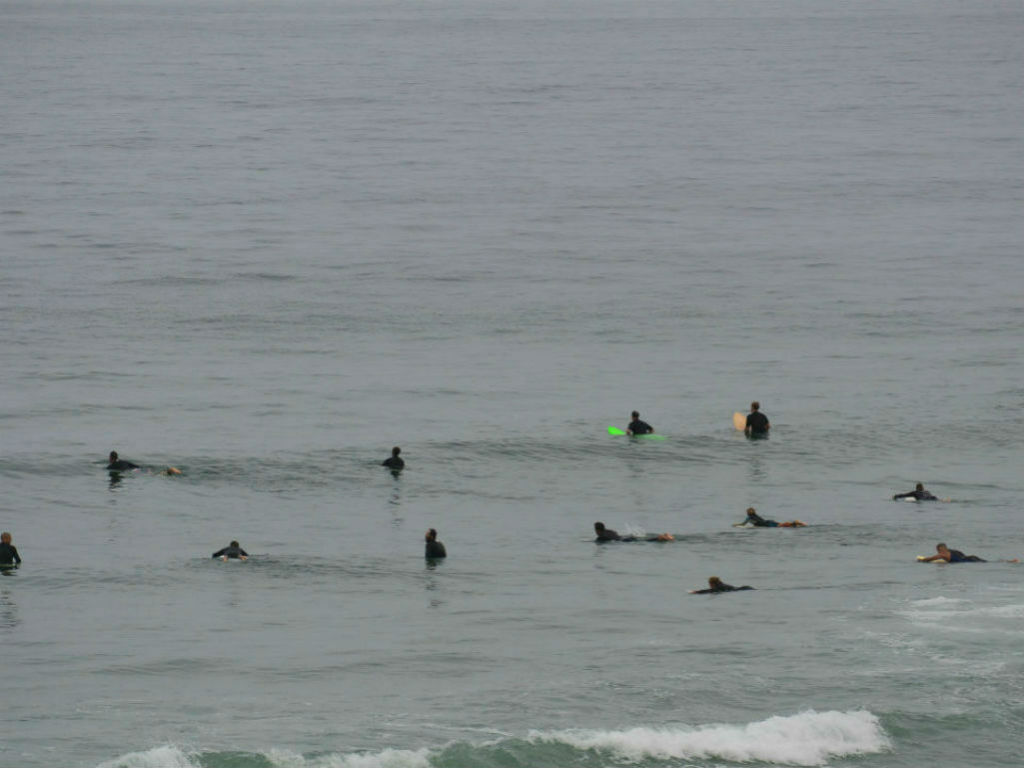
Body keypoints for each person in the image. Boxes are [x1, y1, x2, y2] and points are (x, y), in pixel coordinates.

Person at [593, 522, 674, 542]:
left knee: (646, 541)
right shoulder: (609, 531)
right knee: (643, 540)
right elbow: (615, 534)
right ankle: (664, 536)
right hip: (626, 537)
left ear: (597, 530)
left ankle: (660, 537)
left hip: (624, 541)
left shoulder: (601, 537)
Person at [734, 507, 806, 528]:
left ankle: (795, 522)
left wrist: (736, 525)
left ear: (747, 513)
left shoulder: (749, 518)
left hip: (768, 524)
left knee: (782, 525)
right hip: (769, 522)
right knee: (783, 525)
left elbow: (743, 524)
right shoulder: (756, 515)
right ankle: (796, 524)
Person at [919, 542, 985, 563]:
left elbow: (929, 559)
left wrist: (921, 560)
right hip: (972, 557)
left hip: (970, 561)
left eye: (938, 550)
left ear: (939, 549)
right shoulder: (952, 551)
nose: (938, 552)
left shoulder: (943, 554)